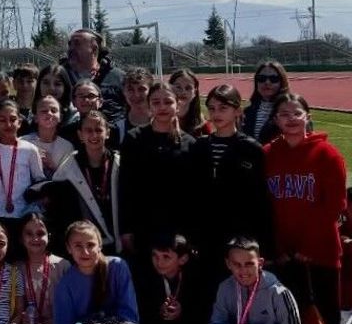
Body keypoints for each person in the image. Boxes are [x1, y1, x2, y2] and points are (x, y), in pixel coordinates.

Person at [264, 93, 348, 324]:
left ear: (307, 116)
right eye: (284, 114)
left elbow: (334, 207)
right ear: (275, 119)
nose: (290, 119)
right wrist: (277, 248)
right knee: (289, 314)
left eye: (296, 113)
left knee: (324, 313)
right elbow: (263, 207)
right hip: (282, 254)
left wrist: (307, 249)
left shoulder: (328, 154)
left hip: (318, 252)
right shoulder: (267, 154)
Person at [189, 84, 272, 266]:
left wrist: (264, 244)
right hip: (206, 237)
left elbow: (261, 200)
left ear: (237, 111)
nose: (216, 113)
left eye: (223, 108)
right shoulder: (199, 146)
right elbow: (192, 194)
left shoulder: (251, 149)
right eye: (212, 108)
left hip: (240, 240)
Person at [118, 83, 195, 261]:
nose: (162, 107)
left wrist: (191, 234)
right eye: (156, 102)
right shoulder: (134, 138)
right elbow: (126, 187)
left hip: (177, 228)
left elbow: (193, 193)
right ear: (148, 106)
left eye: (168, 102)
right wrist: (126, 229)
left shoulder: (190, 144)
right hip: (143, 226)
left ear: (178, 105)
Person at [30, 111, 121, 253]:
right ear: (80, 135)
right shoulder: (69, 166)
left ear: (107, 133)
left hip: (118, 239)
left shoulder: (119, 163)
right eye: (88, 130)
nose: (94, 135)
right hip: (85, 245)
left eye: (98, 130)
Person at [0, 100, 45, 243]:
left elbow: (39, 182)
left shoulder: (30, 149)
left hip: (22, 214)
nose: (8, 124)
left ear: (20, 122)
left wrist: (37, 214)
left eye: (13, 119)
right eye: (2, 120)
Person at [15, 214, 69, 324]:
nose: (35, 238)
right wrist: (23, 316)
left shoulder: (62, 265)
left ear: (49, 236)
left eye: (40, 233)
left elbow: (71, 306)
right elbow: (17, 306)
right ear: (21, 238)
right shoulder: (17, 268)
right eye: (29, 234)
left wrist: (52, 323)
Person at [60, 29, 125, 120]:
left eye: (77, 44)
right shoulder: (58, 77)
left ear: (94, 48)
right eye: (70, 44)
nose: (71, 48)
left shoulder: (117, 77)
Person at [21, 96, 74, 177]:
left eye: (54, 110)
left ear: (60, 117)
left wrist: (51, 165)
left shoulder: (67, 147)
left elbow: (70, 178)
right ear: (35, 117)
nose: (49, 113)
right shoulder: (23, 143)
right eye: (44, 111)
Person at [242, 60, 291, 144]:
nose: (267, 82)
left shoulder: (292, 111)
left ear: (282, 82)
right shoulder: (247, 112)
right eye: (262, 78)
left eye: (273, 79)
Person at [113, 67, 152, 143]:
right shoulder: (117, 128)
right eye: (130, 90)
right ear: (124, 92)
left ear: (151, 91)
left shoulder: (163, 123)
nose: (136, 95)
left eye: (141, 89)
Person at [169, 69, 209, 136]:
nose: (183, 92)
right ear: (169, 88)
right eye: (178, 87)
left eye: (188, 88)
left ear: (195, 92)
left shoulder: (200, 121)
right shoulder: (161, 116)